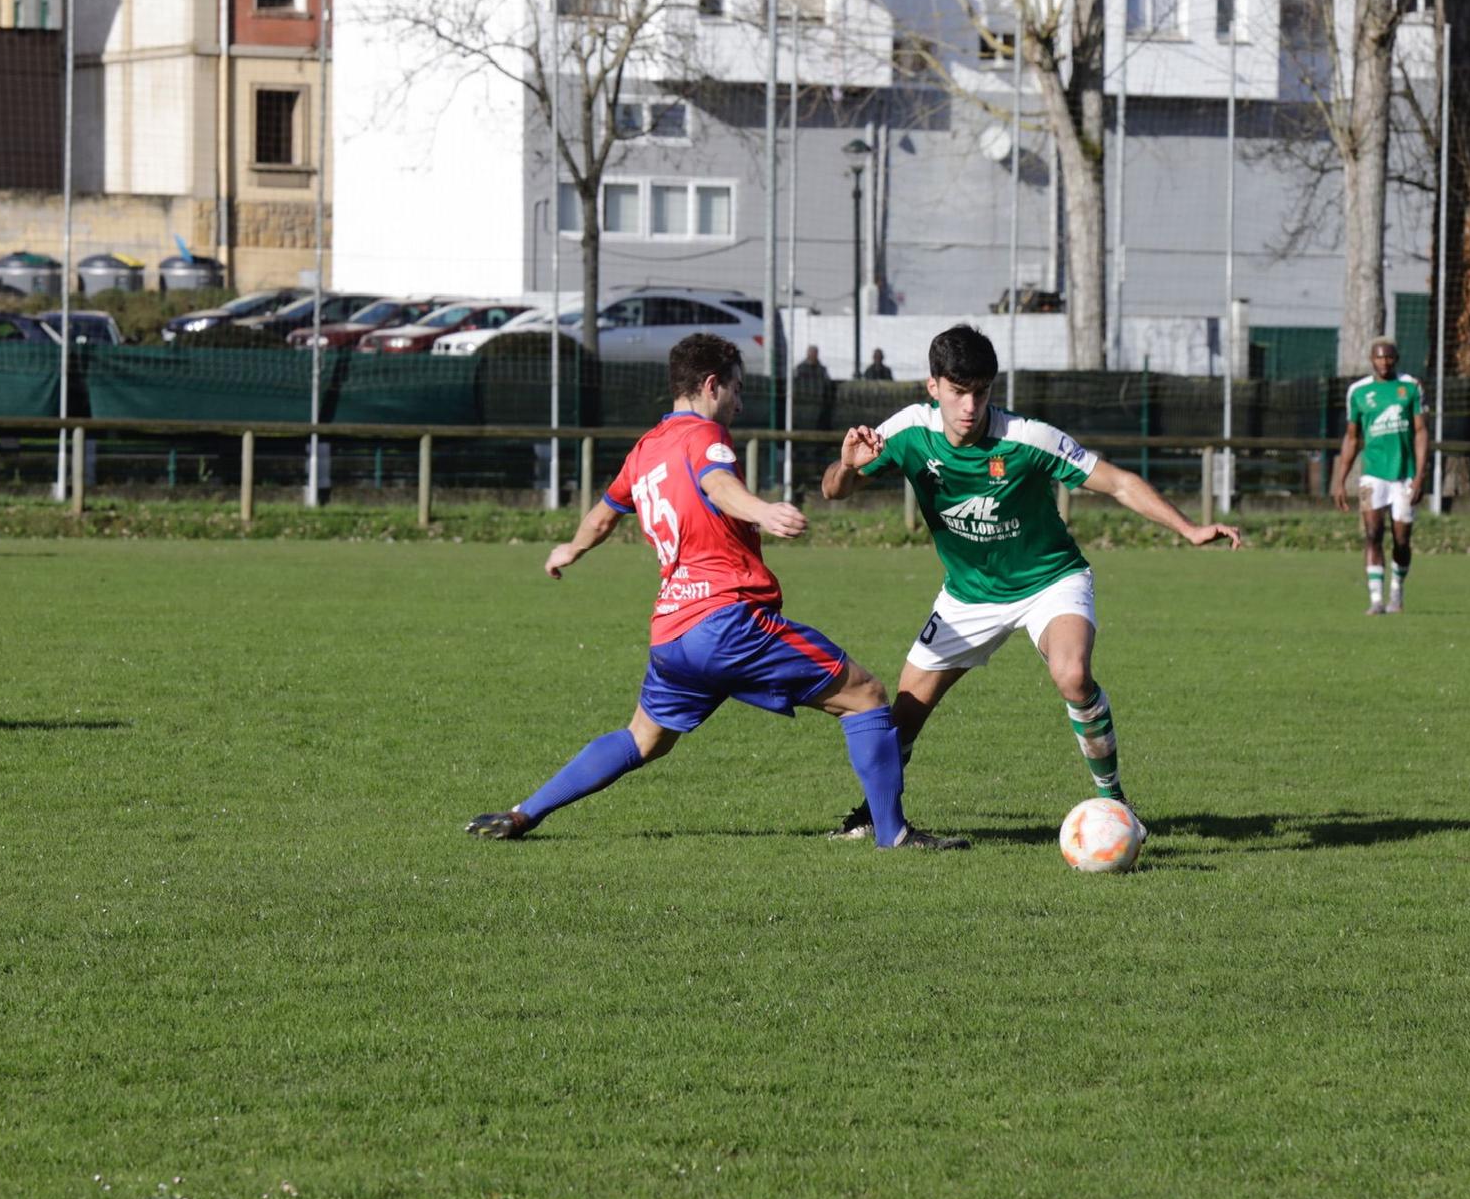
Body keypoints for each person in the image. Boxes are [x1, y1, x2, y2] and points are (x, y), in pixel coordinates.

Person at [469, 332, 966, 850]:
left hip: (672, 634)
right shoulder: (705, 435)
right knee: (866, 696)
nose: (740, 401)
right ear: (711, 385)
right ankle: (893, 834)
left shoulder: (646, 450)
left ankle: (524, 813)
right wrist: (763, 510)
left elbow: (603, 513)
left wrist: (568, 550)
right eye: (737, 388)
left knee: (643, 739)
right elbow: (717, 485)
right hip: (729, 622)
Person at [818, 324, 1244, 840]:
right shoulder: (908, 430)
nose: (970, 405)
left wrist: (1189, 527)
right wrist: (846, 465)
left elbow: (1118, 482)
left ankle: (1113, 801)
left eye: (980, 391)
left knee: (1073, 676)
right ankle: (873, 814)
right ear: (933, 388)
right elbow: (834, 492)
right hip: (968, 596)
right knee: (903, 718)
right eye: (957, 392)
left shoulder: (1027, 438)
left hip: (1049, 579)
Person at [1331, 337, 1429, 615]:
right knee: (1373, 534)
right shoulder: (1358, 392)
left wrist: (1420, 475)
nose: (1384, 362)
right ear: (1371, 359)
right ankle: (1376, 599)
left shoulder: (1410, 386)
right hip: (1372, 475)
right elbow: (1352, 438)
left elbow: (1421, 432)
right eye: (1379, 357)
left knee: (1401, 539)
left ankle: (1396, 591)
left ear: (1396, 359)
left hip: (1405, 475)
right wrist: (1340, 480)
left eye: (1389, 357)